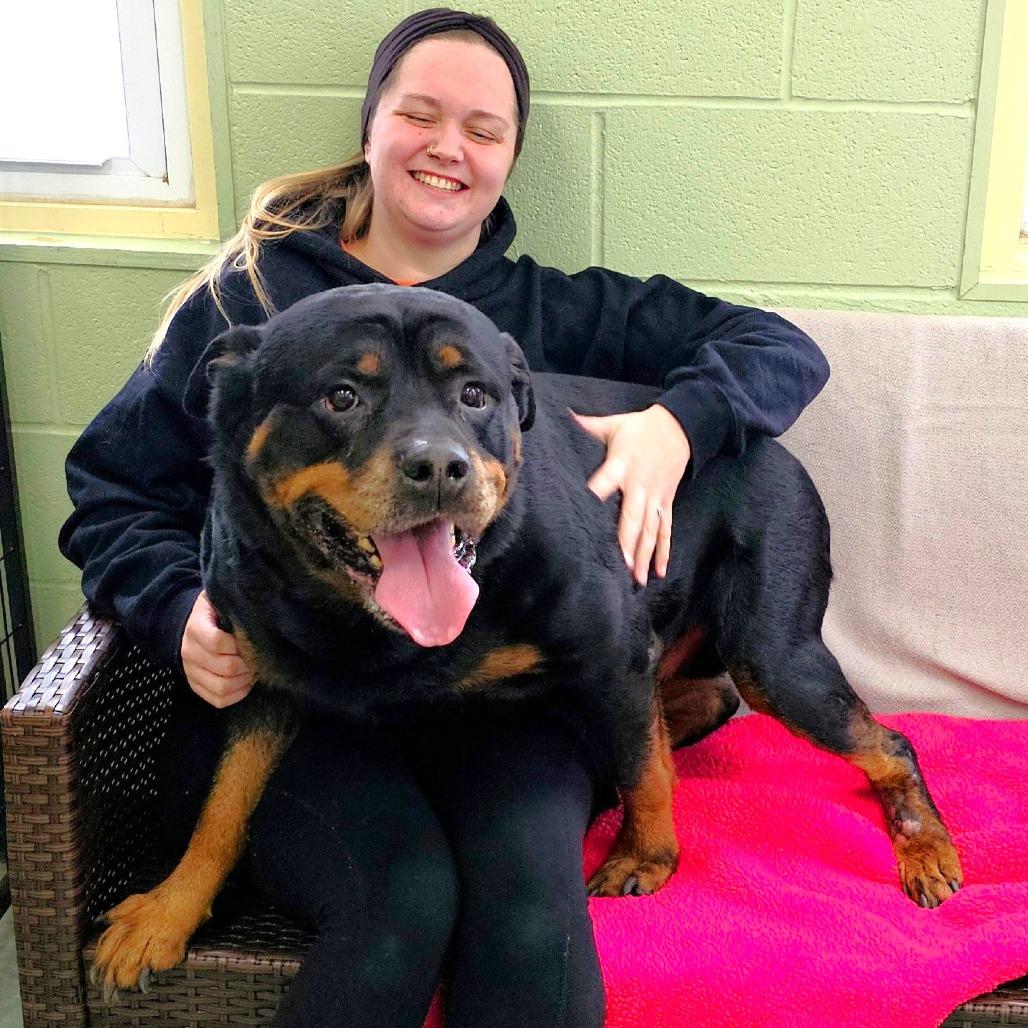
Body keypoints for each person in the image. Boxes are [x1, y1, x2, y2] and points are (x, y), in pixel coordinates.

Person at [59, 9, 830, 1027]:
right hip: (301, 699)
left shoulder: (544, 311)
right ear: (371, 126)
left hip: (504, 711)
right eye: (418, 113)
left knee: (526, 908)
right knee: (397, 904)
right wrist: (178, 611)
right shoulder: (246, 298)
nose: (447, 145)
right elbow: (112, 488)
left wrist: (676, 424)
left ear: (510, 156)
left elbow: (779, 346)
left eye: (483, 126)